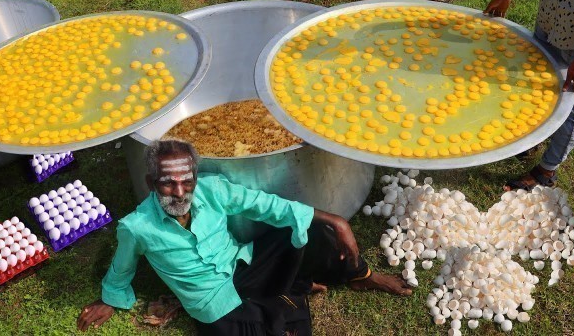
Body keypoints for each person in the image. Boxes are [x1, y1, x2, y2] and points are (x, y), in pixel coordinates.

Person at [77, 139, 412, 335]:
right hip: (214, 303)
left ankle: (358, 276)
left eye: (186, 182)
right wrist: (110, 297)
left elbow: (267, 206)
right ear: (151, 183)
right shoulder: (137, 227)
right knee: (272, 325)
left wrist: (337, 221)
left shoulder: (211, 190)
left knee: (313, 229)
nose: (179, 192)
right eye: (167, 183)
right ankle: (288, 293)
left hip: (243, 264)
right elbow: (122, 268)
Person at [484, 0, 574, 191]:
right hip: (551, 10)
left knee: (572, 99)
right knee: (535, 77)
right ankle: (532, 136)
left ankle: (547, 169)